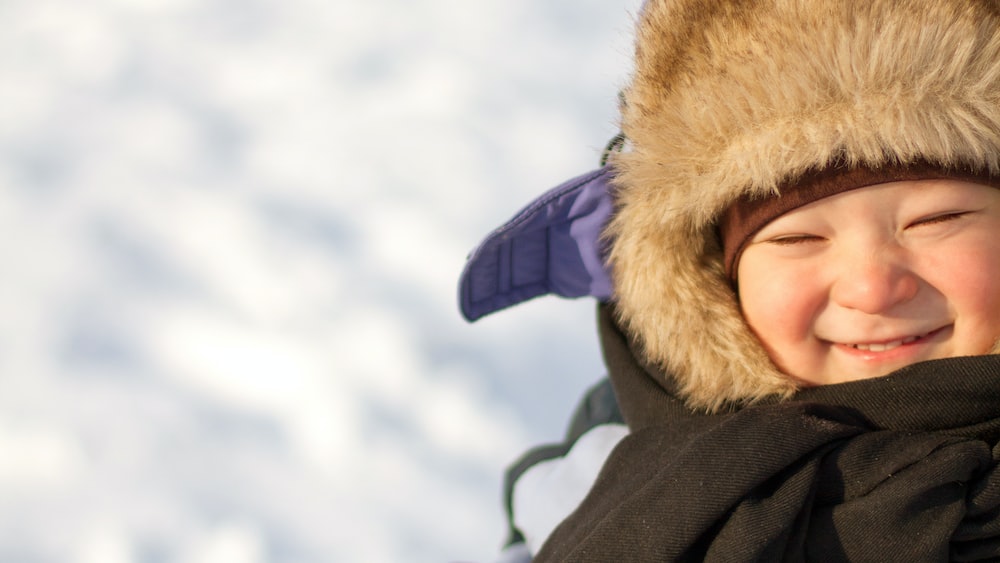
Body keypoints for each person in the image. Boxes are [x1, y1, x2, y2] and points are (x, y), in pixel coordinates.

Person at [459, 0, 1000, 560]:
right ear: (714, 276)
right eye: (798, 240)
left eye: (935, 221)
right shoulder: (617, 465)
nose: (871, 288)